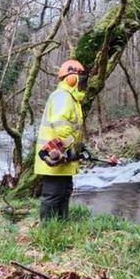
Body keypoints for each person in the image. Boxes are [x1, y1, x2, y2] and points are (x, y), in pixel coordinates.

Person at [34, 59, 89, 221]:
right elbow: (61, 125)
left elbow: (72, 129)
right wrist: (70, 147)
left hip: (63, 155)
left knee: (64, 192)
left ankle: (61, 225)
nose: (82, 82)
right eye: (80, 78)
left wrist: (78, 147)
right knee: (53, 195)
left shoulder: (71, 99)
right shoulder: (62, 97)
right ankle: (47, 230)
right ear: (71, 79)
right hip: (55, 154)